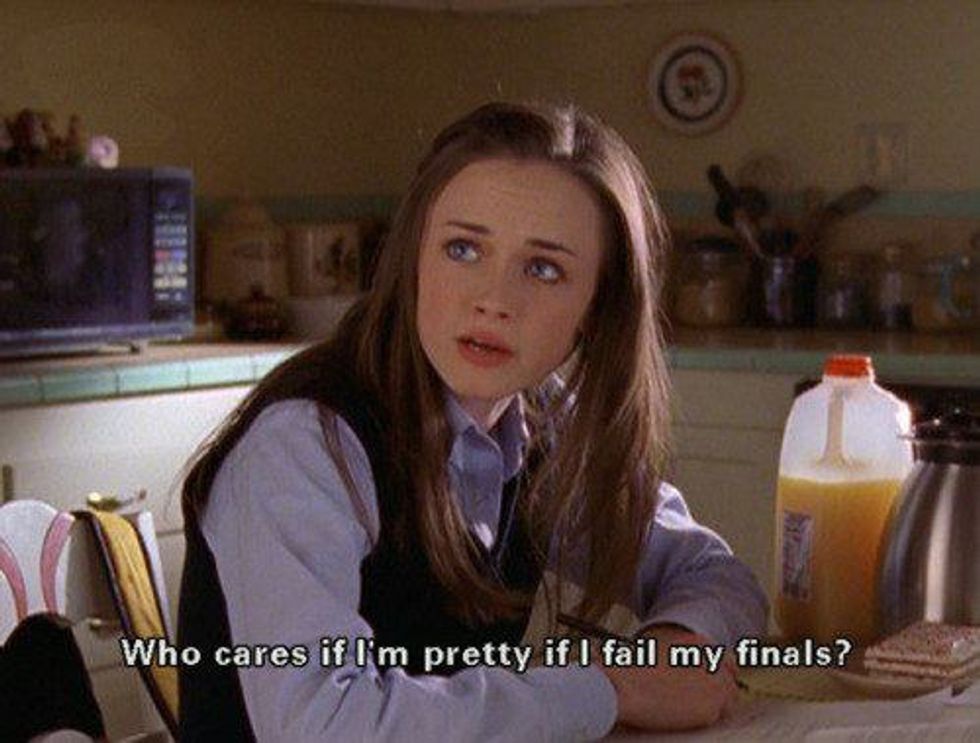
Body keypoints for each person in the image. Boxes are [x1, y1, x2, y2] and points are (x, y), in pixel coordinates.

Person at [177, 101, 768, 742]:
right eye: (463, 249)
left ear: (598, 310)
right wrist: (612, 689)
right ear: (413, 261)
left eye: (544, 269)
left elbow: (715, 575)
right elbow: (323, 725)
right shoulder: (306, 445)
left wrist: (672, 652)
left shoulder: (538, 422)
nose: (493, 300)